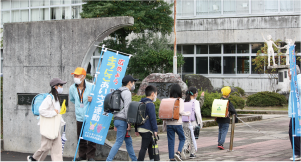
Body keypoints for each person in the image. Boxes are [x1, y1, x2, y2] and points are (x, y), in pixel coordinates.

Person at [27, 78, 67, 162]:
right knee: (46, 147)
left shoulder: (56, 98)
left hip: (55, 127)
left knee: (57, 149)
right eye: (61, 85)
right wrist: (53, 112)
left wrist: (61, 121)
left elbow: (57, 113)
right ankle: (34, 158)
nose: (62, 87)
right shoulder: (49, 98)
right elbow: (42, 110)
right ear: (55, 87)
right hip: (49, 127)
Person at [106, 75, 138, 162]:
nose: (133, 84)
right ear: (129, 83)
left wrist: (116, 121)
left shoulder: (118, 91)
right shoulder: (127, 92)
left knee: (128, 141)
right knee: (119, 142)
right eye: (133, 82)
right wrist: (129, 122)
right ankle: (108, 160)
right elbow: (127, 108)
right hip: (123, 120)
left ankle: (135, 160)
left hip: (117, 119)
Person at [69, 67, 95, 162]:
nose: (75, 77)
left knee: (91, 137)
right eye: (74, 75)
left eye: (77, 75)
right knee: (81, 137)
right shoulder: (72, 88)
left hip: (90, 116)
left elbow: (98, 99)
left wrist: (93, 99)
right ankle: (82, 155)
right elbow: (72, 99)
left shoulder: (91, 86)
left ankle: (91, 157)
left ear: (83, 76)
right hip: (79, 116)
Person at [163, 84, 191, 162]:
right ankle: (178, 153)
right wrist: (187, 113)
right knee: (182, 138)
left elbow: (165, 113)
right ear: (179, 92)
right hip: (177, 123)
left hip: (169, 124)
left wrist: (164, 125)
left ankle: (171, 159)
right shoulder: (180, 100)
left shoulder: (168, 100)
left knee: (170, 141)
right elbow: (181, 112)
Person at [135, 85, 158, 162]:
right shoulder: (150, 104)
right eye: (156, 94)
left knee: (150, 144)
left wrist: (136, 129)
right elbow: (153, 118)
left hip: (140, 128)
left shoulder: (140, 102)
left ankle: (152, 160)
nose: (156, 96)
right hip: (147, 129)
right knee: (144, 147)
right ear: (152, 94)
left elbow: (136, 117)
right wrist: (155, 130)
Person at [182, 87, 203, 159]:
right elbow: (198, 113)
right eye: (196, 92)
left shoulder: (184, 101)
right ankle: (192, 153)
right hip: (192, 122)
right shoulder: (195, 102)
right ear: (194, 94)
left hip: (184, 122)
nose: (197, 94)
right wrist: (200, 123)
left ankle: (183, 150)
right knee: (193, 138)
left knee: (186, 138)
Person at [288, 66, 301, 161]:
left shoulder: (298, 80)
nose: (288, 75)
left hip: (297, 112)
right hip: (296, 111)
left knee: (294, 132)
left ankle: (297, 153)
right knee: (295, 132)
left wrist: (294, 83)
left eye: (288, 73)